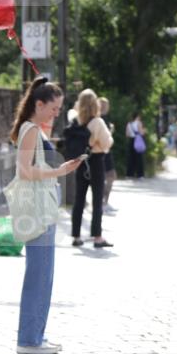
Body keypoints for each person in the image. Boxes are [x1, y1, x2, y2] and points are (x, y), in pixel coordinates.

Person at [10, 78, 83, 354]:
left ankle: (35, 334)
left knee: (43, 274)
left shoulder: (33, 129)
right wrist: (59, 171)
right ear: (38, 104)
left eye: (59, 109)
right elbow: (24, 171)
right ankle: (29, 339)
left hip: (42, 210)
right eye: (53, 108)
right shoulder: (30, 130)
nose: (57, 113)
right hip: (37, 211)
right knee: (39, 274)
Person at [71, 89, 114, 248]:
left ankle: (76, 236)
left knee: (79, 200)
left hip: (81, 161)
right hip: (96, 161)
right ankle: (97, 236)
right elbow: (106, 144)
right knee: (97, 200)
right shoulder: (97, 122)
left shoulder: (75, 120)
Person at [99, 97, 118, 212]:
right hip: (102, 152)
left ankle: (104, 201)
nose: (106, 107)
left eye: (106, 105)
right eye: (104, 105)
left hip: (105, 151)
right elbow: (105, 137)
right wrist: (111, 131)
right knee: (108, 176)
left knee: (110, 176)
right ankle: (102, 202)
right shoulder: (99, 119)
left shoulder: (103, 118)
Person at [125, 112, 146, 179]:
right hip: (137, 141)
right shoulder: (139, 123)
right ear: (137, 117)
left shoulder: (129, 124)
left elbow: (127, 134)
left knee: (131, 158)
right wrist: (144, 131)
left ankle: (129, 174)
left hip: (131, 141)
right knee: (139, 158)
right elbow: (141, 132)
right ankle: (140, 174)